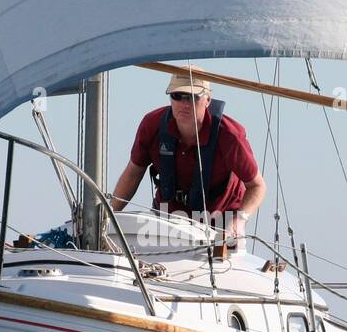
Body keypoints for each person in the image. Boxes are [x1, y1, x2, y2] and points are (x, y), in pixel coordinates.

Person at [110, 73, 266, 238]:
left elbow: (257, 186)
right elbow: (133, 174)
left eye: (192, 97)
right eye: (177, 96)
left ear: (207, 100)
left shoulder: (229, 135)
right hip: (167, 220)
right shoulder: (152, 125)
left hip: (220, 224)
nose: (184, 104)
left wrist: (238, 222)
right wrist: (108, 216)